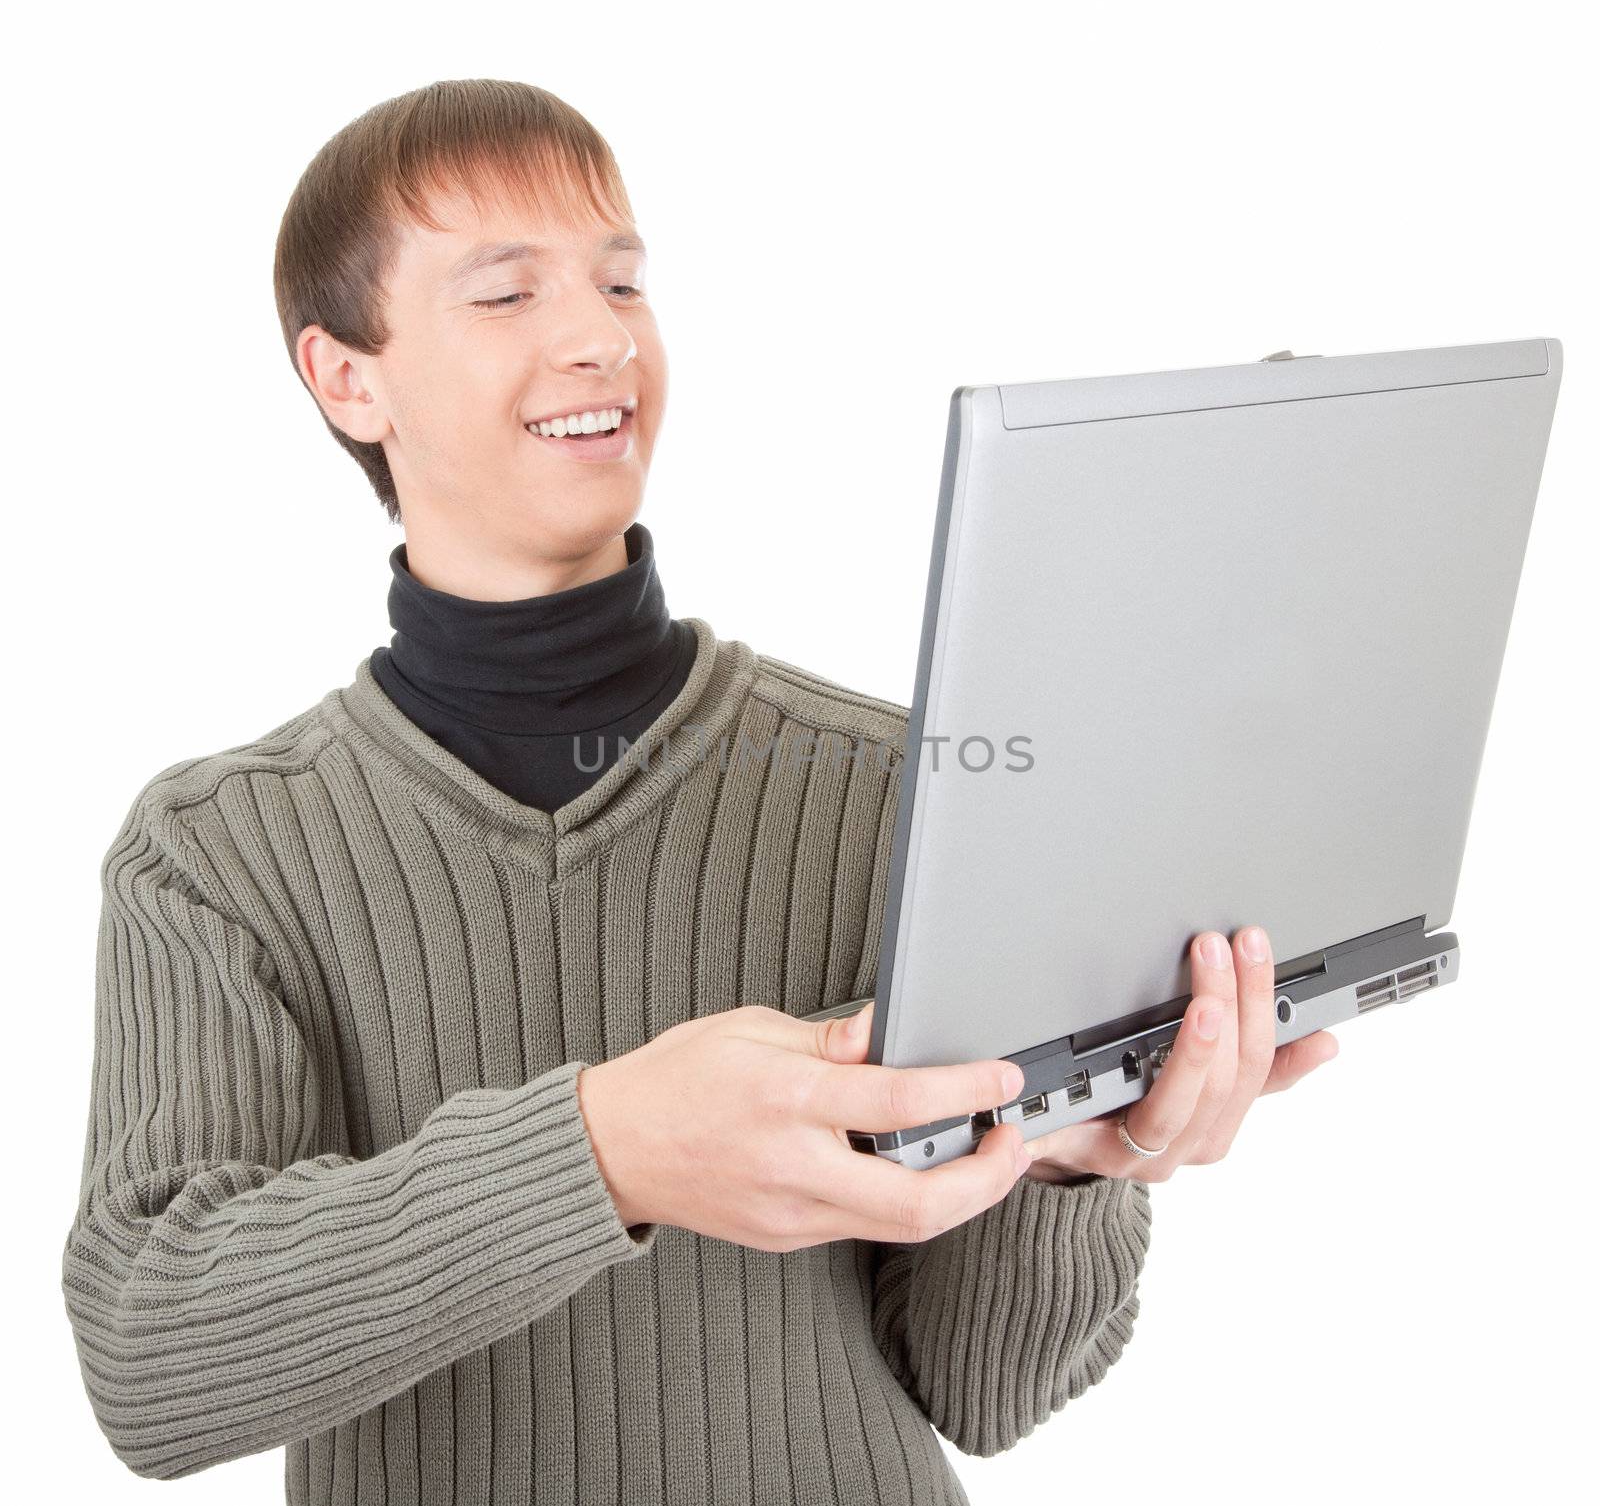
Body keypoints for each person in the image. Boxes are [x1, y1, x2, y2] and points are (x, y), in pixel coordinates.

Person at [59, 78, 1338, 1506]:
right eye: (506, 293)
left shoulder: (903, 787)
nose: (601, 333)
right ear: (348, 375)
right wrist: (606, 1153)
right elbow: (149, 1359)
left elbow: (986, 1391)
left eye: (623, 279)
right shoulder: (221, 856)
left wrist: (1068, 1166)